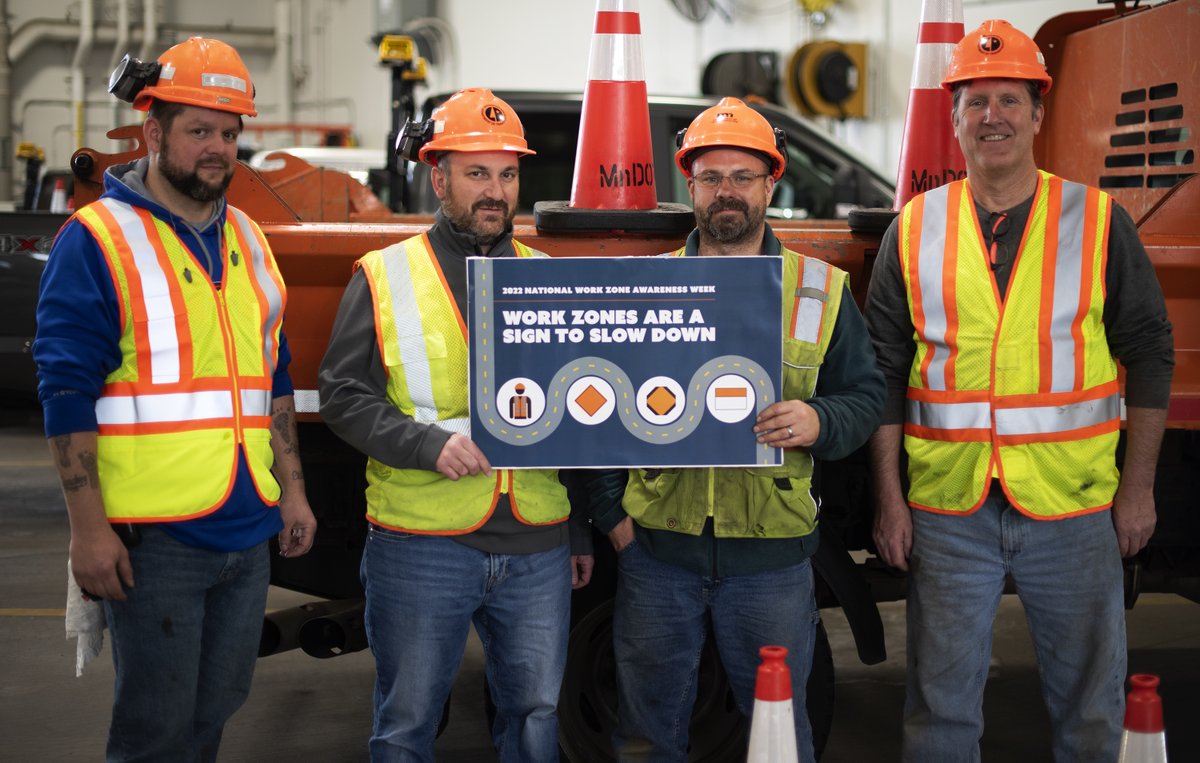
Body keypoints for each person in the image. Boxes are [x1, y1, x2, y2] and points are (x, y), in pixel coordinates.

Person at [864, 20, 1175, 762]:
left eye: (1010, 99)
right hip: (949, 510)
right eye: (975, 101)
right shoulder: (912, 231)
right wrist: (889, 498)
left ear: (1039, 113)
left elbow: (1150, 351)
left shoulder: (1098, 222)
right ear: (955, 118)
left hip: (1072, 508)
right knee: (939, 717)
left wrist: (1138, 490)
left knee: (1093, 716)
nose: (992, 116)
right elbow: (884, 372)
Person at [34, 37, 317, 762]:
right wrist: (87, 531)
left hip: (247, 528)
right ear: (154, 133)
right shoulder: (97, 239)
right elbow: (66, 393)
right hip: (156, 541)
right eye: (199, 131)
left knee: (216, 710)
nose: (217, 149)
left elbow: (274, 379)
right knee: (154, 730)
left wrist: (293, 492)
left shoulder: (251, 240)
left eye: (229, 133)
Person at [318, 88, 621, 763]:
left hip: (536, 546)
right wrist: (426, 443)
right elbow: (341, 393)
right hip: (423, 544)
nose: (495, 190)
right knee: (407, 725)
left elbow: (570, 411)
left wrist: (573, 526)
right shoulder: (386, 275)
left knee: (538, 715)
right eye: (477, 173)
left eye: (507, 173)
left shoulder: (548, 279)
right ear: (439, 177)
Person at [588, 97, 886, 762]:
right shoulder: (645, 288)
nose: (728, 192)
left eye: (743, 176)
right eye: (712, 176)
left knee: (780, 738)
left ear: (771, 184)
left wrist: (819, 419)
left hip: (773, 562)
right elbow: (599, 410)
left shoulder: (818, 290)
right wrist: (613, 515)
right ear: (689, 186)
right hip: (658, 555)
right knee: (645, 737)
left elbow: (868, 397)